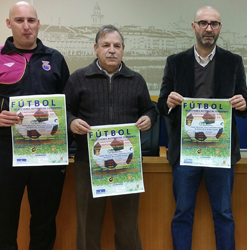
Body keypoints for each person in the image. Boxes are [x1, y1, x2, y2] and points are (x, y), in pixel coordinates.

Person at [0, 2, 70, 249]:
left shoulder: (55, 59)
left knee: (45, 220)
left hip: (48, 152)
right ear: (9, 23)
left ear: (38, 23)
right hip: (5, 151)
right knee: (4, 220)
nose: (26, 26)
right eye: (20, 20)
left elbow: (69, 104)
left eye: (31, 20)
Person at [157, 6, 247, 250]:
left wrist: (242, 104)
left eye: (214, 24)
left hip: (220, 150)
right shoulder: (175, 62)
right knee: (182, 214)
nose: (208, 28)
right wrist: (167, 102)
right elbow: (161, 103)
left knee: (223, 214)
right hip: (186, 152)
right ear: (193, 27)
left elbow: (245, 105)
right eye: (203, 23)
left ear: (220, 28)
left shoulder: (234, 62)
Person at [63, 24, 157, 250]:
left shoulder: (136, 80)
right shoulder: (78, 79)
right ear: (96, 48)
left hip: (127, 163)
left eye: (117, 46)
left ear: (123, 50)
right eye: (106, 45)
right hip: (88, 162)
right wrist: (71, 122)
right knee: (88, 224)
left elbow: (150, 109)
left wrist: (149, 118)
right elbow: (63, 112)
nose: (111, 50)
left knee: (128, 226)